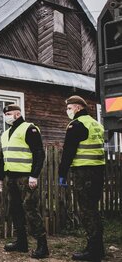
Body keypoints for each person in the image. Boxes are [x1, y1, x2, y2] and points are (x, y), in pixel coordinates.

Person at [0, 104, 49, 259]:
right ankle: (21, 242)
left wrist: (34, 175)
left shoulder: (29, 129)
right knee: (15, 210)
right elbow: (2, 158)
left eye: (9, 114)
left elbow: (39, 153)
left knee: (30, 210)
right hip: (11, 178)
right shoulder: (5, 134)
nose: (6, 116)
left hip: (26, 178)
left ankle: (42, 245)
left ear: (17, 114)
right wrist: (0, 177)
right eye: (5, 114)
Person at [58, 95, 105, 262]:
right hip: (98, 171)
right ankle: (98, 248)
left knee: (86, 211)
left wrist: (62, 173)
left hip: (84, 173)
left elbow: (68, 151)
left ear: (78, 108)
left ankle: (93, 252)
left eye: (69, 108)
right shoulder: (96, 124)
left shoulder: (76, 124)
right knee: (93, 209)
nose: (67, 111)